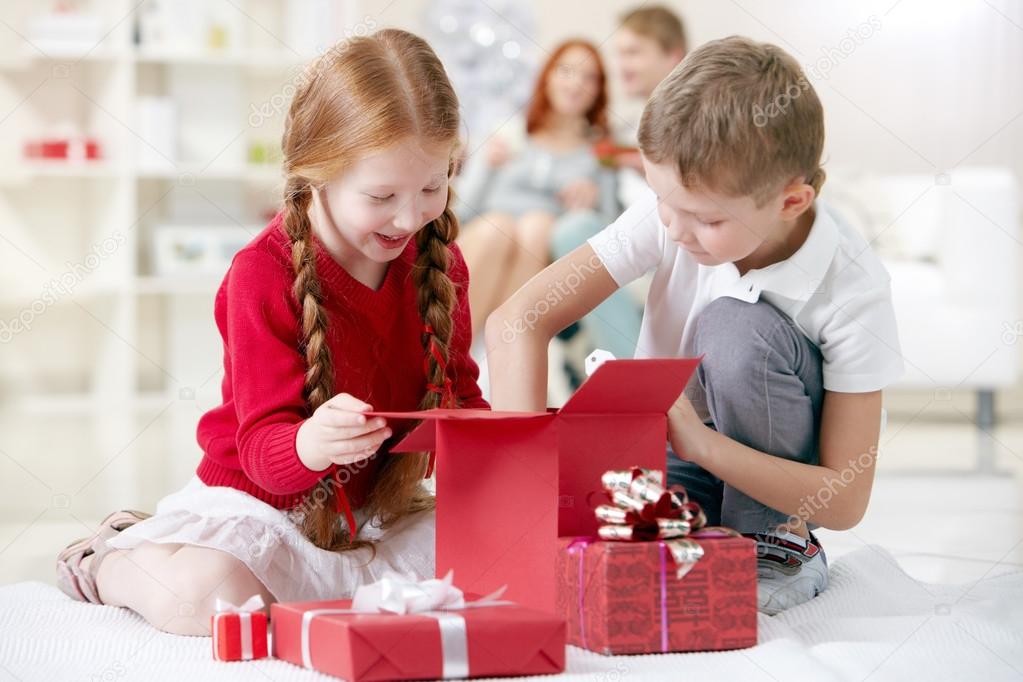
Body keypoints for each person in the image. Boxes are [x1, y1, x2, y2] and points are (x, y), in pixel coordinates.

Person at [55, 29, 487, 635]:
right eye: (382, 195)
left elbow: (461, 397)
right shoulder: (262, 273)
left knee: (495, 559)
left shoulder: (440, 265)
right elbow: (263, 452)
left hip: (372, 510)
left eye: (432, 188)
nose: (410, 216)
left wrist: (497, 449)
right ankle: (115, 559)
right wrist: (312, 444)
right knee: (208, 603)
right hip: (268, 501)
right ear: (318, 175)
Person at [486, 36, 904, 615]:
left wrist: (703, 443)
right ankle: (694, 531)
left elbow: (845, 498)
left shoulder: (853, 287)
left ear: (791, 201)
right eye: (662, 200)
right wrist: (524, 494)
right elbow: (518, 321)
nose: (676, 231)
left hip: (764, 483)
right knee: (583, 520)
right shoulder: (677, 210)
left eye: (707, 219)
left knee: (735, 328)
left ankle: (770, 540)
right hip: (675, 461)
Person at [550, 5, 689, 361]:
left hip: (677, 242)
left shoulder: (694, 118)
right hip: (634, 242)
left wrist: (646, 166)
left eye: (633, 52)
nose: (622, 64)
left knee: (573, 230)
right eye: (619, 53)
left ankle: (635, 376)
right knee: (570, 227)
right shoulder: (623, 127)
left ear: (673, 56)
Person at [456, 39, 617, 339]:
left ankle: (496, 352)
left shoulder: (598, 154)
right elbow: (463, 210)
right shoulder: (511, 132)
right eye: (566, 71)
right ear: (548, 76)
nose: (575, 83)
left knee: (537, 225)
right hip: (484, 241)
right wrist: (485, 164)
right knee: (499, 226)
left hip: (541, 257)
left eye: (588, 77)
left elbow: (611, 231)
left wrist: (591, 201)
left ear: (599, 89)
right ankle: (457, 353)